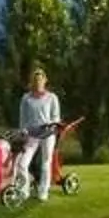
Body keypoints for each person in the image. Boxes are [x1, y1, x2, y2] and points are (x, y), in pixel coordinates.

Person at [16, 66, 63, 202]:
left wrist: (52, 124)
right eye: (35, 80)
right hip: (32, 134)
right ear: (32, 81)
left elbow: (56, 117)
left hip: (48, 133)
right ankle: (24, 191)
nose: (38, 82)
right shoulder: (26, 98)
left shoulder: (52, 97)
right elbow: (23, 118)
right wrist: (23, 130)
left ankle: (43, 192)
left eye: (40, 80)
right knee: (22, 164)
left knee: (45, 163)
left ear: (45, 81)